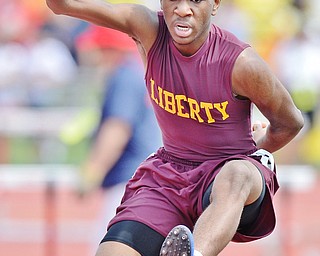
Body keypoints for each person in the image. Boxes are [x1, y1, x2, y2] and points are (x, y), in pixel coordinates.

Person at [45, 1, 304, 256]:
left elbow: (290, 122)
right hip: (169, 177)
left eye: (194, 0)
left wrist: (254, 147)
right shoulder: (148, 27)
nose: (182, 9)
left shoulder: (242, 63)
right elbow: (62, 5)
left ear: (214, 5)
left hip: (226, 175)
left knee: (238, 172)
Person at [75, 25, 162, 252]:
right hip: (146, 181)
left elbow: (117, 128)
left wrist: (93, 170)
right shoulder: (137, 73)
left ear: (107, 48)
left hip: (130, 183)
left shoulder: (123, 76)